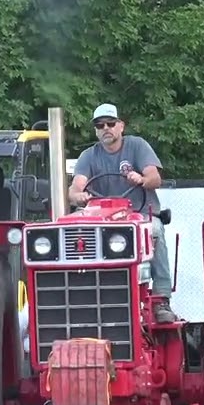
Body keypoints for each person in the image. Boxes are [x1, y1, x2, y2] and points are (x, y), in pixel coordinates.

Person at [67, 103, 177, 323]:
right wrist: (78, 196)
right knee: (73, 233)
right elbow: (75, 188)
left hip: (137, 214)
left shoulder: (137, 146)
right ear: (95, 130)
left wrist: (142, 179)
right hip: (102, 219)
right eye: (100, 125)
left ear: (121, 126)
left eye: (110, 123)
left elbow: (154, 179)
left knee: (154, 230)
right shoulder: (89, 156)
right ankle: (80, 297)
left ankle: (161, 298)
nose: (105, 128)